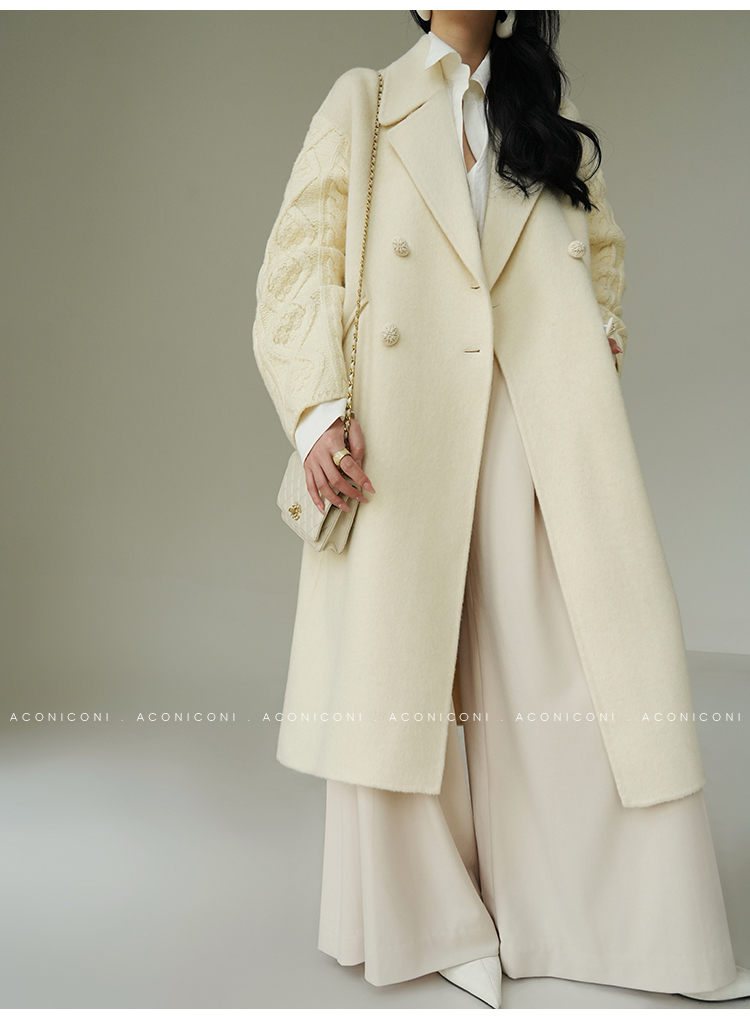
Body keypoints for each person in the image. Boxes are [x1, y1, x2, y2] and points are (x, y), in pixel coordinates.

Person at [253, 10, 749, 1008]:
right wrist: (317, 413)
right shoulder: (366, 102)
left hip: (534, 416)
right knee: (404, 667)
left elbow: (600, 245)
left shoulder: (543, 110)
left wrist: (597, 337)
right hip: (405, 424)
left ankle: (600, 916)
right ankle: (431, 918)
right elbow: (297, 262)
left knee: (572, 654)